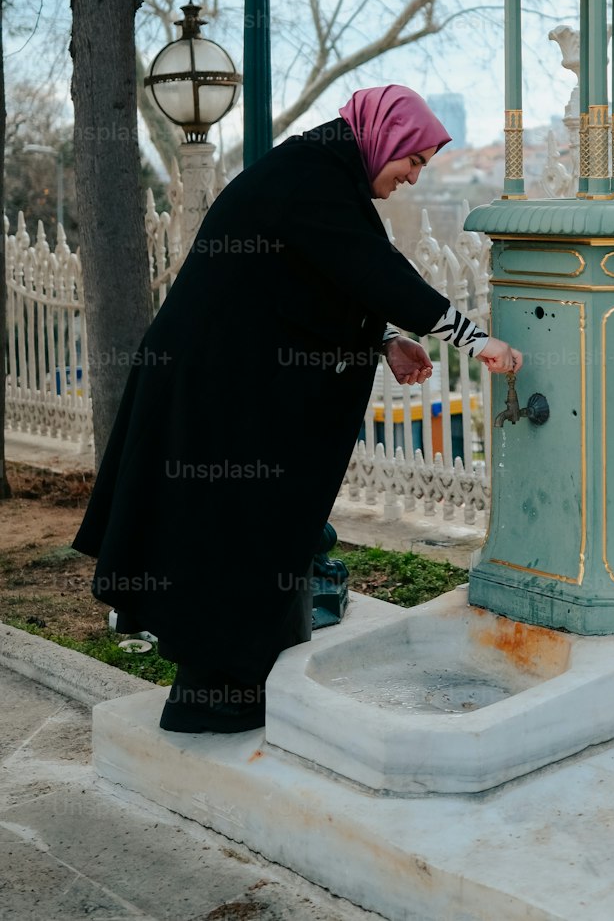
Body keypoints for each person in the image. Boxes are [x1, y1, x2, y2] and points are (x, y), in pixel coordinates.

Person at [72, 85, 521, 734]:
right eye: (413, 160)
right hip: (213, 389)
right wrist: (472, 337)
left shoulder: (320, 172)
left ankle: (238, 681)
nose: (412, 177)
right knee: (230, 530)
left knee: (245, 529)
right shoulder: (311, 174)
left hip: (224, 382)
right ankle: (216, 697)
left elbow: (310, 281)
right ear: (385, 138)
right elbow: (371, 269)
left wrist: (384, 339)